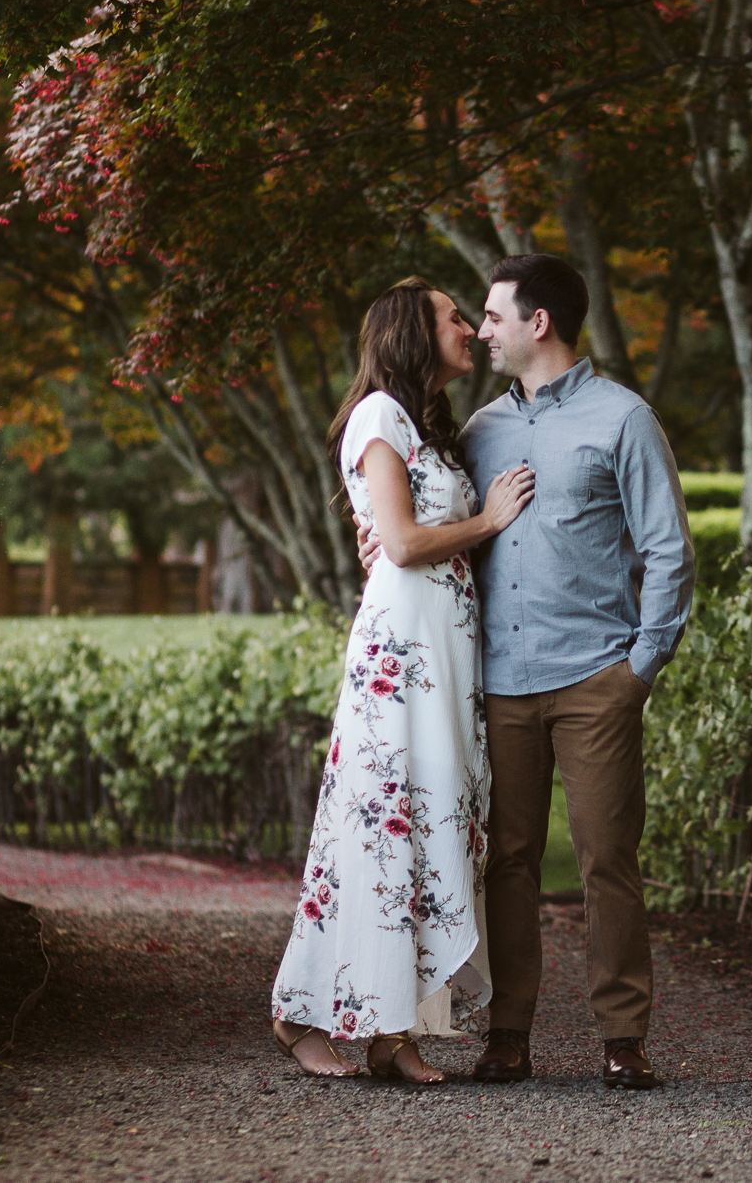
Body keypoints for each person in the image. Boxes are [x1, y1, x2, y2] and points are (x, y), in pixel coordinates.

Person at [359, 253, 695, 1091]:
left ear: (538, 321)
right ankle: (506, 1033)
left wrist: (639, 669)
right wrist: (379, 545)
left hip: (595, 680)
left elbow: (668, 550)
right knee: (505, 858)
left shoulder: (625, 419)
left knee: (606, 857)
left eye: (494, 315)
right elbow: (433, 525)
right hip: (497, 684)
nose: (481, 329)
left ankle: (623, 1037)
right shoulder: (478, 431)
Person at [270, 278, 536, 1083]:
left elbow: (411, 535)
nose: (468, 327)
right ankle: (299, 1010)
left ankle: (394, 1027)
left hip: (442, 653)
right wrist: (487, 519)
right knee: (378, 828)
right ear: (413, 332)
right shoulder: (379, 414)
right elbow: (402, 539)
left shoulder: (426, 425)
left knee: (425, 830)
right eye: (455, 315)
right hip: (400, 659)